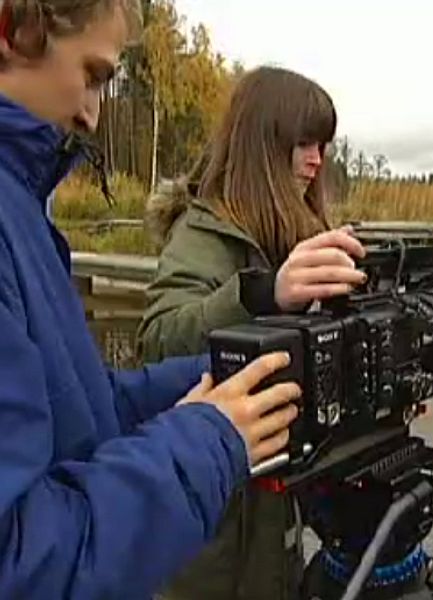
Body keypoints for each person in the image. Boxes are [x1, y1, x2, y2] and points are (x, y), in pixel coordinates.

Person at [0, 2, 301, 598]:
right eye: (91, 75)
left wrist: (260, 363)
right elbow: (19, 562)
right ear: (12, 28)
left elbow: (83, 409)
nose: (92, 116)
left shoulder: (22, 209)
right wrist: (213, 439)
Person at [137, 66, 368, 600]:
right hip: (213, 524)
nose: (316, 161)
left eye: (323, 145)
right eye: (303, 143)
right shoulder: (202, 233)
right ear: (263, 147)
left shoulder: (297, 233)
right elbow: (158, 341)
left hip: (278, 508)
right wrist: (263, 293)